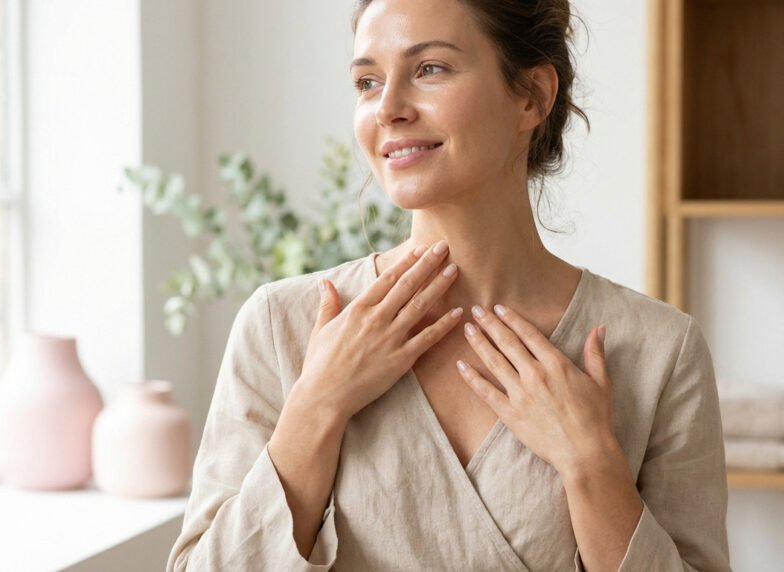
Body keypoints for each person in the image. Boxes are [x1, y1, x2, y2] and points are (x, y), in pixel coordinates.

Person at [167, 0, 731, 570]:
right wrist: (316, 408)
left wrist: (592, 467)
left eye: (429, 69)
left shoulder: (659, 350)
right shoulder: (280, 325)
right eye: (367, 81)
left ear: (532, 95)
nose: (387, 109)